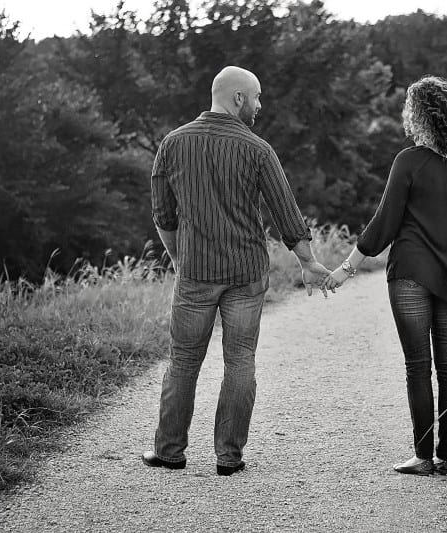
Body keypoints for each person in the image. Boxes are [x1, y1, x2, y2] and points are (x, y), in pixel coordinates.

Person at [143, 66, 332, 476]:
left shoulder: (173, 143)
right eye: (257, 97)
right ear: (239, 98)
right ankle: (228, 458)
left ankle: (170, 451)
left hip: (196, 272)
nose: (260, 105)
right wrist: (307, 261)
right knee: (240, 361)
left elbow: (163, 214)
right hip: (246, 273)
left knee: (183, 361)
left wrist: (178, 258)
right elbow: (285, 210)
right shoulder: (258, 149)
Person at [324, 76, 447, 477]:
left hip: (411, 274)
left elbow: (384, 223)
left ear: (421, 117)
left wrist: (346, 269)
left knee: (418, 366)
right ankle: (446, 458)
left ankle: (422, 457)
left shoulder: (410, 161)